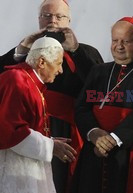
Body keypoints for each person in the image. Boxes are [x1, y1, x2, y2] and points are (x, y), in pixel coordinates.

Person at [0, 0, 103, 192]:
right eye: (47, 16)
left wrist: (76, 51)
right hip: (28, 128)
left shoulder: (86, 52)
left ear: (69, 20)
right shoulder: (27, 50)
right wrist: (21, 49)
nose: (52, 21)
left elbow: (99, 88)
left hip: (68, 129)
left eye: (59, 16)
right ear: (39, 19)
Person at [72, 16, 133, 193]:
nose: (119, 46)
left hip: (129, 151)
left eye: (126, 41)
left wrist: (113, 139)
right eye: (115, 40)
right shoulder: (98, 71)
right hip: (95, 149)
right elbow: (82, 107)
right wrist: (94, 134)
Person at [0, 37, 77, 193]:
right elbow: (10, 130)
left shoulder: (31, 82)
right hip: (13, 168)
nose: (61, 70)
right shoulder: (17, 79)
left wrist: (49, 141)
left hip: (27, 165)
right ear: (42, 62)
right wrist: (50, 146)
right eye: (58, 63)